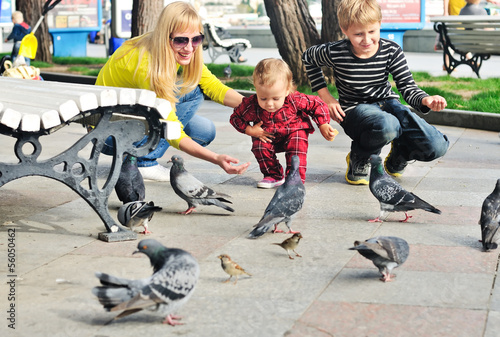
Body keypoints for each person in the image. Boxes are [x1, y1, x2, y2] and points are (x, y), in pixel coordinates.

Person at [96, 1, 249, 180]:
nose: (189, 47)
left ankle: (136, 153)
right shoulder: (147, 66)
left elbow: (214, 87)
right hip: (108, 134)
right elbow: (173, 131)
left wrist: (256, 107)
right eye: (181, 40)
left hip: (129, 118)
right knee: (192, 91)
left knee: (204, 131)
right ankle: (145, 161)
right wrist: (216, 159)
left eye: (196, 39)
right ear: (165, 36)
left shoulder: (168, 46)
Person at [302, 0, 449, 185]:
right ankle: (360, 156)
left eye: (372, 32)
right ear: (344, 29)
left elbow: (407, 87)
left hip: (387, 104)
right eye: (358, 34)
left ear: (379, 24)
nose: (366, 40)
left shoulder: (391, 51)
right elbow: (308, 58)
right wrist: (327, 98)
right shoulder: (335, 51)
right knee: (388, 125)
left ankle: (400, 153)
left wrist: (426, 99)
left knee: (436, 145)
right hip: (356, 111)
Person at [230, 58, 337, 188]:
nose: (269, 104)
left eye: (275, 98)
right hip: (268, 134)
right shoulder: (251, 104)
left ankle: (294, 178)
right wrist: (249, 130)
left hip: (294, 131)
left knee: (297, 146)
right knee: (259, 145)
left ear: (287, 90)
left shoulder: (294, 99)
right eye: (263, 98)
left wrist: (323, 124)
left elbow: (316, 104)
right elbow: (236, 117)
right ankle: (273, 175)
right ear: (256, 90)